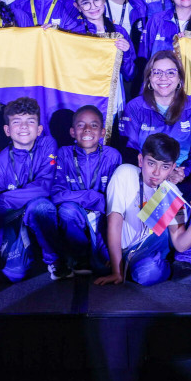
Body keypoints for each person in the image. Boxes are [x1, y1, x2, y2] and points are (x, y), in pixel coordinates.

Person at [117, 50, 191, 278]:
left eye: (170, 72)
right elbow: (128, 148)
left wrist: (183, 171)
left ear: (180, 78)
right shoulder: (135, 107)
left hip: (181, 178)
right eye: (157, 73)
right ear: (149, 79)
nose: (164, 78)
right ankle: (159, 251)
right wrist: (152, 175)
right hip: (147, 181)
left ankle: (185, 259)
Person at [94, 132, 191, 287]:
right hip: (127, 247)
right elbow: (114, 224)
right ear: (141, 160)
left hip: (152, 244)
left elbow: (180, 243)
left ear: (173, 168)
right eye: (151, 163)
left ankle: (177, 264)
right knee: (135, 271)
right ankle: (161, 262)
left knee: (146, 274)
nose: (156, 172)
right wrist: (117, 272)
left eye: (165, 167)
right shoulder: (125, 173)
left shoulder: (171, 191)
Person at [0, 97, 65, 283]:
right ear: (7, 130)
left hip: (37, 211)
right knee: (14, 275)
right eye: (17, 122)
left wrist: (8, 198)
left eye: (30, 121)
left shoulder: (48, 144)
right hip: (15, 219)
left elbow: (45, 187)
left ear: (39, 129)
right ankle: (25, 251)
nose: (24, 126)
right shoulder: (1, 160)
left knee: (40, 206)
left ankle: (54, 259)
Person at [52, 105, 121, 276]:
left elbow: (118, 197)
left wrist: (99, 202)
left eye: (94, 125)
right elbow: (55, 195)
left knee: (106, 265)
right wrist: (91, 196)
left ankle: (94, 253)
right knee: (67, 210)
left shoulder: (112, 156)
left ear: (103, 132)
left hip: (103, 218)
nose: (87, 129)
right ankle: (80, 256)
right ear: (72, 132)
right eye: (81, 125)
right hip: (77, 216)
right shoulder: (63, 154)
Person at [73, 0, 134, 95]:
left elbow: (129, 75)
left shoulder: (119, 31)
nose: (93, 7)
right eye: (85, 3)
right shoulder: (74, 34)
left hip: (114, 97)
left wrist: (126, 53)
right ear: (77, 7)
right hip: (86, 95)